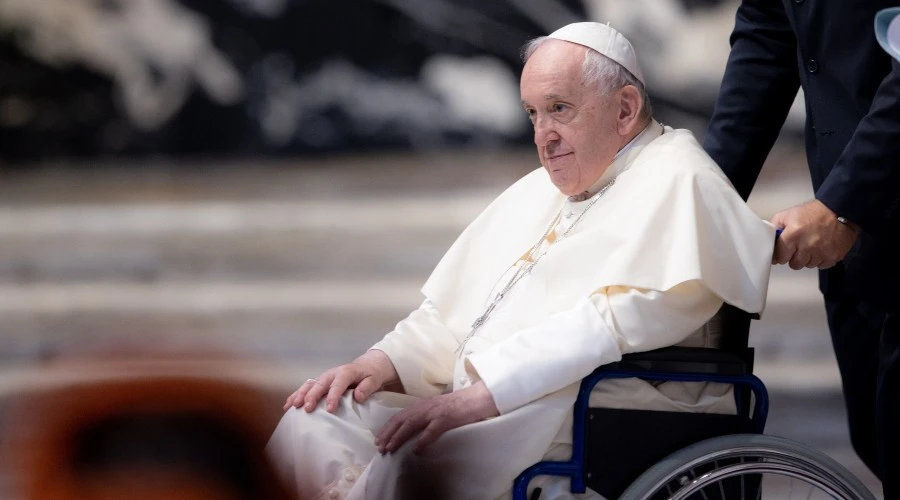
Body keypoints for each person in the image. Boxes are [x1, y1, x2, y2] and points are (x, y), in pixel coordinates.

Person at [267, 22, 775, 500]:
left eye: (559, 108)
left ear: (625, 109)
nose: (542, 135)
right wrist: (378, 364)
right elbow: (455, 314)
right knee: (317, 419)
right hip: (509, 396)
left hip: (587, 403)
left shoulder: (681, 178)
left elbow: (611, 325)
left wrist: (480, 396)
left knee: (413, 457)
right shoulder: (546, 186)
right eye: (533, 113)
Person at [703, 2, 900, 498]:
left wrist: (842, 205)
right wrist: (703, 202)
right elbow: (767, 34)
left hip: (866, 190)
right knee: (877, 439)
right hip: (858, 236)